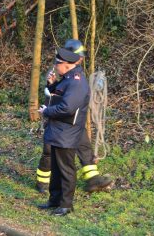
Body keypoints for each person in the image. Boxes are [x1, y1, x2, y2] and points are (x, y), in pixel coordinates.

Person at [35, 40, 112, 193]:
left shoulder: (75, 73)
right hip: (59, 121)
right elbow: (56, 97)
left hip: (74, 122)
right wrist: (51, 85)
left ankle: (92, 179)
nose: (81, 59)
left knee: (84, 147)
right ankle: (43, 182)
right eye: (79, 56)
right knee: (50, 150)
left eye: (82, 57)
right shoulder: (63, 68)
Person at [37, 46, 90, 216]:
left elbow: (67, 107)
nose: (55, 66)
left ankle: (66, 205)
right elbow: (58, 95)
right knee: (57, 168)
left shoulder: (76, 82)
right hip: (58, 131)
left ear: (67, 65)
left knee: (66, 169)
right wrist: (51, 85)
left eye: (57, 63)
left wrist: (46, 111)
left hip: (67, 133)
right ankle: (54, 200)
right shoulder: (67, 78)